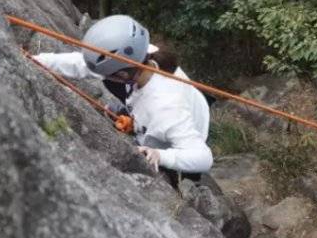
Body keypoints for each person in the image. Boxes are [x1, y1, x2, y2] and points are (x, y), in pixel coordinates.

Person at [33, 15, 212, 188]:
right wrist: (40, 61)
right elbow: (83, 64)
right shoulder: (140, 55)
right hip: (174, 103)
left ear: (123, 75)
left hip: (182, 129)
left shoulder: (165, 108)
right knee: (112, 84)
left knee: (154, 152)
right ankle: (133, 118)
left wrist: (160, 155)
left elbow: (203, 157)